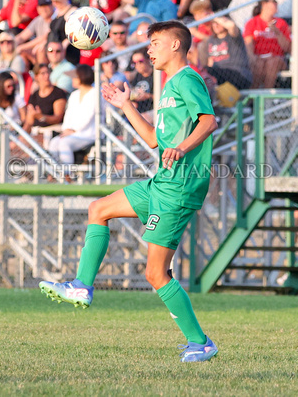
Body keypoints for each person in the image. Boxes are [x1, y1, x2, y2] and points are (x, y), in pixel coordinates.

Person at [39, 20, 219, 364]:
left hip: (178, 188)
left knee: (155, 273)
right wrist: (125, 105)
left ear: (175, 46)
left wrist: (181, 148)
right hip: (161, 182)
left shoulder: (187, 78)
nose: (149, 49)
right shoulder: (169, 86)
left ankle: (201, 342)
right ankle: (82, 285)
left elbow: (208, 122)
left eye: (155, 43)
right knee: (99, 209)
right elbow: (153, 139)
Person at [48, 64, 96, 166]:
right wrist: (66, 129)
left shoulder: (95, 93)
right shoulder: (74, 95)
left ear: (81, 77)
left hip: (89, 134)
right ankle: (55, 172)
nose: (72, 79)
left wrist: (73, 130)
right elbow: (68, 115)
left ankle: (67, 174)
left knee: (64, 143)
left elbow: (89, 115)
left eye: (75, 77)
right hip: (71, 133)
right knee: (53, 143)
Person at [243, 0, 292, 88]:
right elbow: (248, 43)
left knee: (272, 62)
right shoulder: (252, 22)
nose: (276, 3)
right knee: (258, 63)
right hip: (259, 58)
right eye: (274, 1)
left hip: (277, 58)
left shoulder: (281, 23)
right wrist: (252, 57)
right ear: (264, 4)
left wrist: (277, 32)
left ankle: (267, 95)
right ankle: (254, 95)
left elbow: (288, 48)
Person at [204, 16, 253, 91]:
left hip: (238, 74)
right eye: (214, 23)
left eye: (219, 23)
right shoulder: (211, 40)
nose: (216, 25)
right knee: (205, 72)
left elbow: (232, 26)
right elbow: (210, 61)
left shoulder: (234, 36)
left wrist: (215, 17)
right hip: (219, 74)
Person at [23, 63, 67, 133]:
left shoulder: (58, 93)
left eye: (48, 72)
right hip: (35, 130)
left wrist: (41, 117)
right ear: (36, 77)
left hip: (52, 130)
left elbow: (58, 118)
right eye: (43, 73)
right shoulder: (34, 95)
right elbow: (29, 120)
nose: (46, 76)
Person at [15, 0, 55, 66]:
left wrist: (21, 47)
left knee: (40, 50)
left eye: (46, 6)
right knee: (21, 52)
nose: (44, 9)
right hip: (36, 51)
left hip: (52, 51)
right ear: (38, 8)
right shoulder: (38, 20)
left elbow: (44, 38)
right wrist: (11, 42)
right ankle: (25, 76)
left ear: (52, 6)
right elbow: (23, 36)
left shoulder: (55, 19)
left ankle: (42, 72)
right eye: (41, 6)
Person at [47, 0, 79, 65]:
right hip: (54, 49)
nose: (55, 4)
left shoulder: (72, 11)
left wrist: (64, 44)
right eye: (53, 1)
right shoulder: (56, 12)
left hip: (67, 52)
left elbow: (77, 32)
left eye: (57, 1)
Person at [129, 47, 154, 120]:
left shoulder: (157, 75)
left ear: (148, 59)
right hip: (139, 110)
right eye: (134, 63)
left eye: (140, 61)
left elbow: (164, 97)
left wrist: (148, 96)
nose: (137, 65)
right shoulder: (137, 76)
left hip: (153, 109)